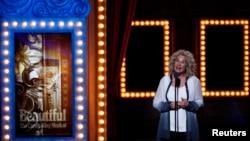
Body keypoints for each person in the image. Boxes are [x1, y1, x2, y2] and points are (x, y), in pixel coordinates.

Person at [153, 49, 204, 141]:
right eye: (177, 60)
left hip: (187, 128)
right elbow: (156, 102)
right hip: (168, 128)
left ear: (187, 65)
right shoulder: (164, 80)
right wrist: (168, 105)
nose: (179, 64)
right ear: (173, 63)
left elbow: (200, 101)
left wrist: (189, 104)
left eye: (183, 62)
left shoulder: (194, 81)